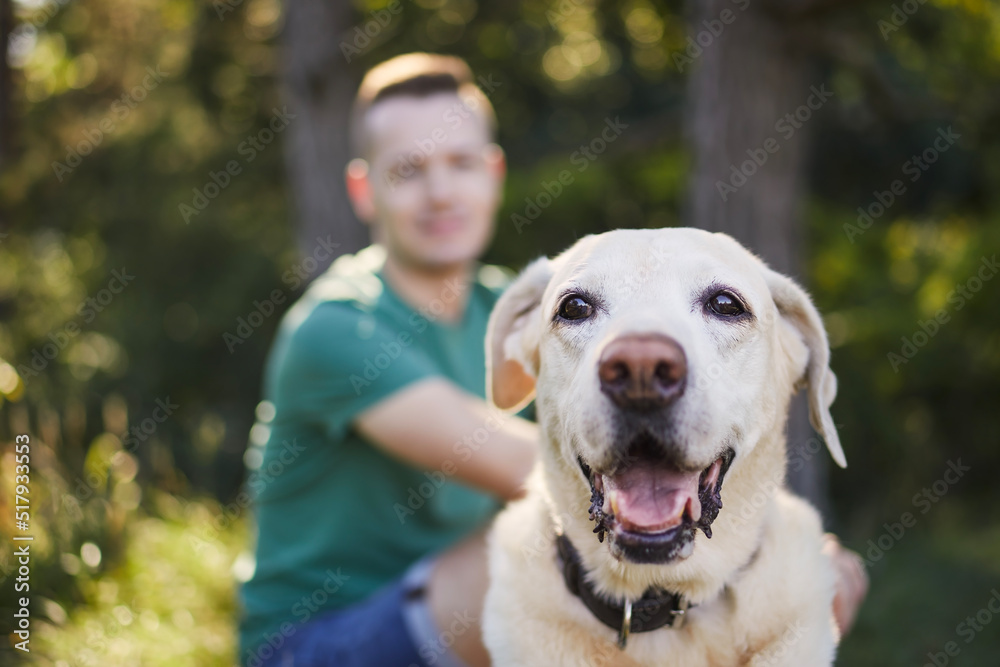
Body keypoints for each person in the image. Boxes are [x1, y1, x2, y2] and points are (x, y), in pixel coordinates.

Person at [238, 53, 867, 667]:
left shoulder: (512, 303)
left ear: (493, 172)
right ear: (363, 188)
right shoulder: (337, 327)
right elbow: (527, 465)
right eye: (408, 170)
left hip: (457, 625)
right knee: (529, 551)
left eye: (460, 164)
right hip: (314, 643)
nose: (440, 193)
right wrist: (780, 549)